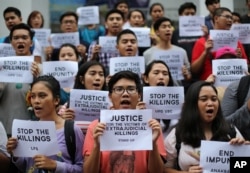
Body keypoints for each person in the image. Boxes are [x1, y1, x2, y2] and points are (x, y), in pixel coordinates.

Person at [83, 70, 166, 173]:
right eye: (119, 89)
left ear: (139, 95)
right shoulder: (96, 126)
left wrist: (153, 143)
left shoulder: (152, 127)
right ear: (110, 96)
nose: (125, 94)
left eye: (131, 89)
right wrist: (97, 146)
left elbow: (159, 171)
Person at [6, 75, 84, 173]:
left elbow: (82, 168)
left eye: (42, 96)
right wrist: (15, 153)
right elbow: (26, 166)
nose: (36, 101)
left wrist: (55, 166)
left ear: (56, 100)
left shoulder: (72, 130)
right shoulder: (27, 128)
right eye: (33, 96)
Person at [164, 81, 245, 172]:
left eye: (214, 99)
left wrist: (241, 152)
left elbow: (243, 167)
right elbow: (164, 169)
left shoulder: (231, 131)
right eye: (204, 99)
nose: (210, 103)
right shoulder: (177, 134)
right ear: (192, 104)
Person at [0, 23, 40, 136]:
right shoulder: (2, 68)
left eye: (24, 37)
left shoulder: (40, 70)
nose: (20, 41)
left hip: (31, 131)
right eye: (16, 38)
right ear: (11, 43)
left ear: (31, 42)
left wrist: (38, 79)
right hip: (4, 131)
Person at [191, 7, 248, 81]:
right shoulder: (202, 42)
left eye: (231, 18)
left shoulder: (237, 42)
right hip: (210, 87)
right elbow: (194, 70)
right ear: (216, 18)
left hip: (234, 86)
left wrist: (239, 59)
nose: (230, 20)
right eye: (227, 17)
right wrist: (205, 52)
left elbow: (246, 68)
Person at [143, 17, 191, 86]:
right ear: (157, 32)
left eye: (169, 26)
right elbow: (144, 77)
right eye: (164, 27)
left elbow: (189, 77)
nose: (168, 29)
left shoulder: (182, 52)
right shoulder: (147, 54)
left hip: (176, 92)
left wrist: (186, 75)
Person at [143, 60, 177, 136]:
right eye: (156, 73)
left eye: (165, 74)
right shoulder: (138, 103)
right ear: (146, 78)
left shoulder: (178, 104)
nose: (161, 77)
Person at [87, 9, 124, 73]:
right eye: (111, 19)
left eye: (118, 19)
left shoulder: (130, 43)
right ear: (106, 24)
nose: (115, 22)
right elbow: (88, 68)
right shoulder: (95, 44)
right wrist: (93, 57)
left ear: (123, 23)